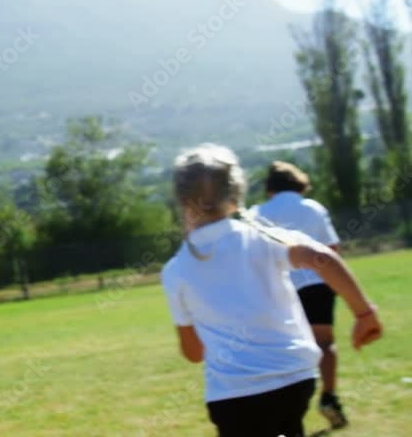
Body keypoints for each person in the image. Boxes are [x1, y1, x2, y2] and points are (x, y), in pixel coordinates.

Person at [160, 144, 382, 437]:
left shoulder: (176, 270)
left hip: (234, 397)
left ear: (181, 200)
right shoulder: (262, 238)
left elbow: (194, 352)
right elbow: (323, 258)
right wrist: (364, 314)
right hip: (295, 379)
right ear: (236, 193)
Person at [252, 160, 348, 428]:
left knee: (284, 348)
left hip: (279, 289)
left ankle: (285, 408)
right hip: (316, 284)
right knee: (324, 342)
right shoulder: (313, 208)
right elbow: (331, 251)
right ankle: (329, 397)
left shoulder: (257, 213)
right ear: (298, 183)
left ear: (270, 187)